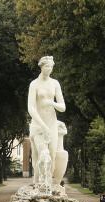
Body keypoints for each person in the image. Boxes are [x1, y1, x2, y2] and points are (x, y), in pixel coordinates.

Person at [28, 56, 66, 185]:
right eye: (47, 66)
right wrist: (43, 126)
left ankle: (49, 183)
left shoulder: (55, 84)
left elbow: (63, 107)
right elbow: (31, 108)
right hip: (38, 124)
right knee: (41, 154)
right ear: (41, 67)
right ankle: (37, 182)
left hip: (52, 123)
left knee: (52, 154)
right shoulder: (34, 84)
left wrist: (52, 102)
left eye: (51, 67)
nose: (49, 69)